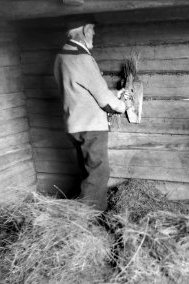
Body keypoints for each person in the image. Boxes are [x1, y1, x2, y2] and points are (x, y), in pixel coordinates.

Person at [54, 14, 131, 211]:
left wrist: (114, 93)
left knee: (87, 172)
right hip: (91, 127)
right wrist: (122, 106)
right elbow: (103, 98)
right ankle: (89, 221)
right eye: (92, 29)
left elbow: (80, 90)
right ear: (84, 30)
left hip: (74, 125)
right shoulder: (82, 58)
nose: (94, 33)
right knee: (98, 173)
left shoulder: (62, 56)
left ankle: (83, 215)